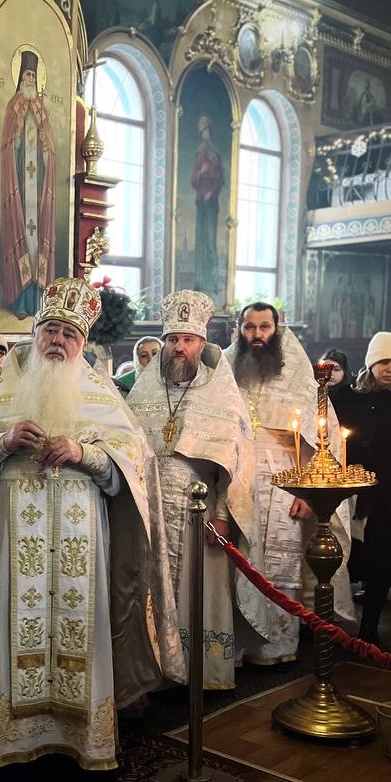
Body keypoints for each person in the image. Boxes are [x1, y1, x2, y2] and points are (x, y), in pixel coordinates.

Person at [0, 277, 179, 770]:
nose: (57, 340)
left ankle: (84, 742)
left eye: (69, 334)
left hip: (82, 532)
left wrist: (84, 453)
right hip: (12, 536)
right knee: (11, 622)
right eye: (49, 330)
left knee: (82, 622)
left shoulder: (100, 394)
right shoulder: (3, 387)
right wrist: (2, 443)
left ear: (82, 343)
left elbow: (135, 466)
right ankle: (7, 744)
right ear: (34, 335)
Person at [126, 291, 255, 689]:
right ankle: (155, 672)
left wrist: (222, 514)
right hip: (150, 508)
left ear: (202, 343)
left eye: (187, 339)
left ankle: (202, 674)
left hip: (198, 512)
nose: (178, 347)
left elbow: (235, 464)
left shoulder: (222, 392)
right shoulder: (144, 390)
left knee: (197, 591)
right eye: (172, 339)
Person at [225, 303, 354, 666]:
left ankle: (275, 648)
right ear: (239, 330)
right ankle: (235, 649)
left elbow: (326, 442)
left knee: (281, 565)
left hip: (285, 485)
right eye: (249, 327)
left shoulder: (299, 379)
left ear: (277, 329)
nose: (257, 335)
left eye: (264, 327)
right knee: (235, 561)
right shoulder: (226, 373)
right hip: (237, 481)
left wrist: (310, 493)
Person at [336, 332, 391, 642]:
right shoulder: (350, 397)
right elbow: (338, 437)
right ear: (371, 362)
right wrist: (353, 463)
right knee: (350, 553)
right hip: (354, 489)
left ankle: (369, 626)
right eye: (384, 361)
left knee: (383, 558)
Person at [0, 50, 56, 319]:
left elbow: (51, 150)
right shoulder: (14, 107)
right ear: (20, 78)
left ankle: (38, 302)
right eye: (27, 75)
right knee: (22, 240)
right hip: (21, 190)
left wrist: (47, 152)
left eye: (34, 75)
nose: (30, 79)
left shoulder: (41, 110)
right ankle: (21, 301)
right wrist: (18, 139)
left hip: (38, 190)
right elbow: (8, 146)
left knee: (37, 246)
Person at [190, 114, 225, 294]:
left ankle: (213, 281)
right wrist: (200, 173)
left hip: (211, 201)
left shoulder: (216, 154)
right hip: (201, 201)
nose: (205, 134)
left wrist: (212, 190)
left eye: (207, 130)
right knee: (201, 240)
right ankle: (200, 281)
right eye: (202, 131)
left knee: (211, 240)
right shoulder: (199, 153)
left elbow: (221, 178)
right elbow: (193, 178)